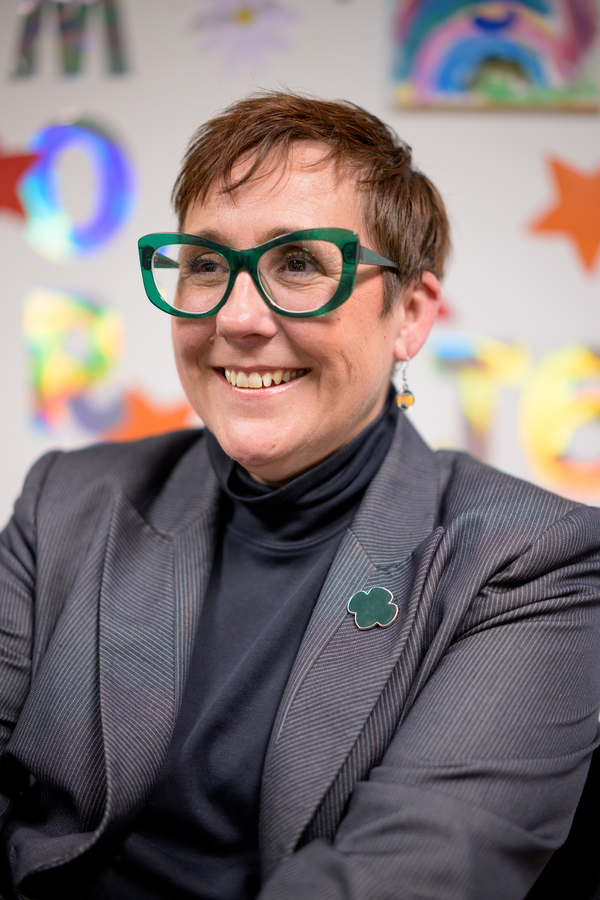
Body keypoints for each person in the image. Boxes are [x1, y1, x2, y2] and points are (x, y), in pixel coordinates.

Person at [0, 92, 599, 900]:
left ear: (411, 314)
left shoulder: (532, 560)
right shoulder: (68, 499)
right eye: (207, 264)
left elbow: (405, 880)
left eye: (301, 263)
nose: (239, 318)